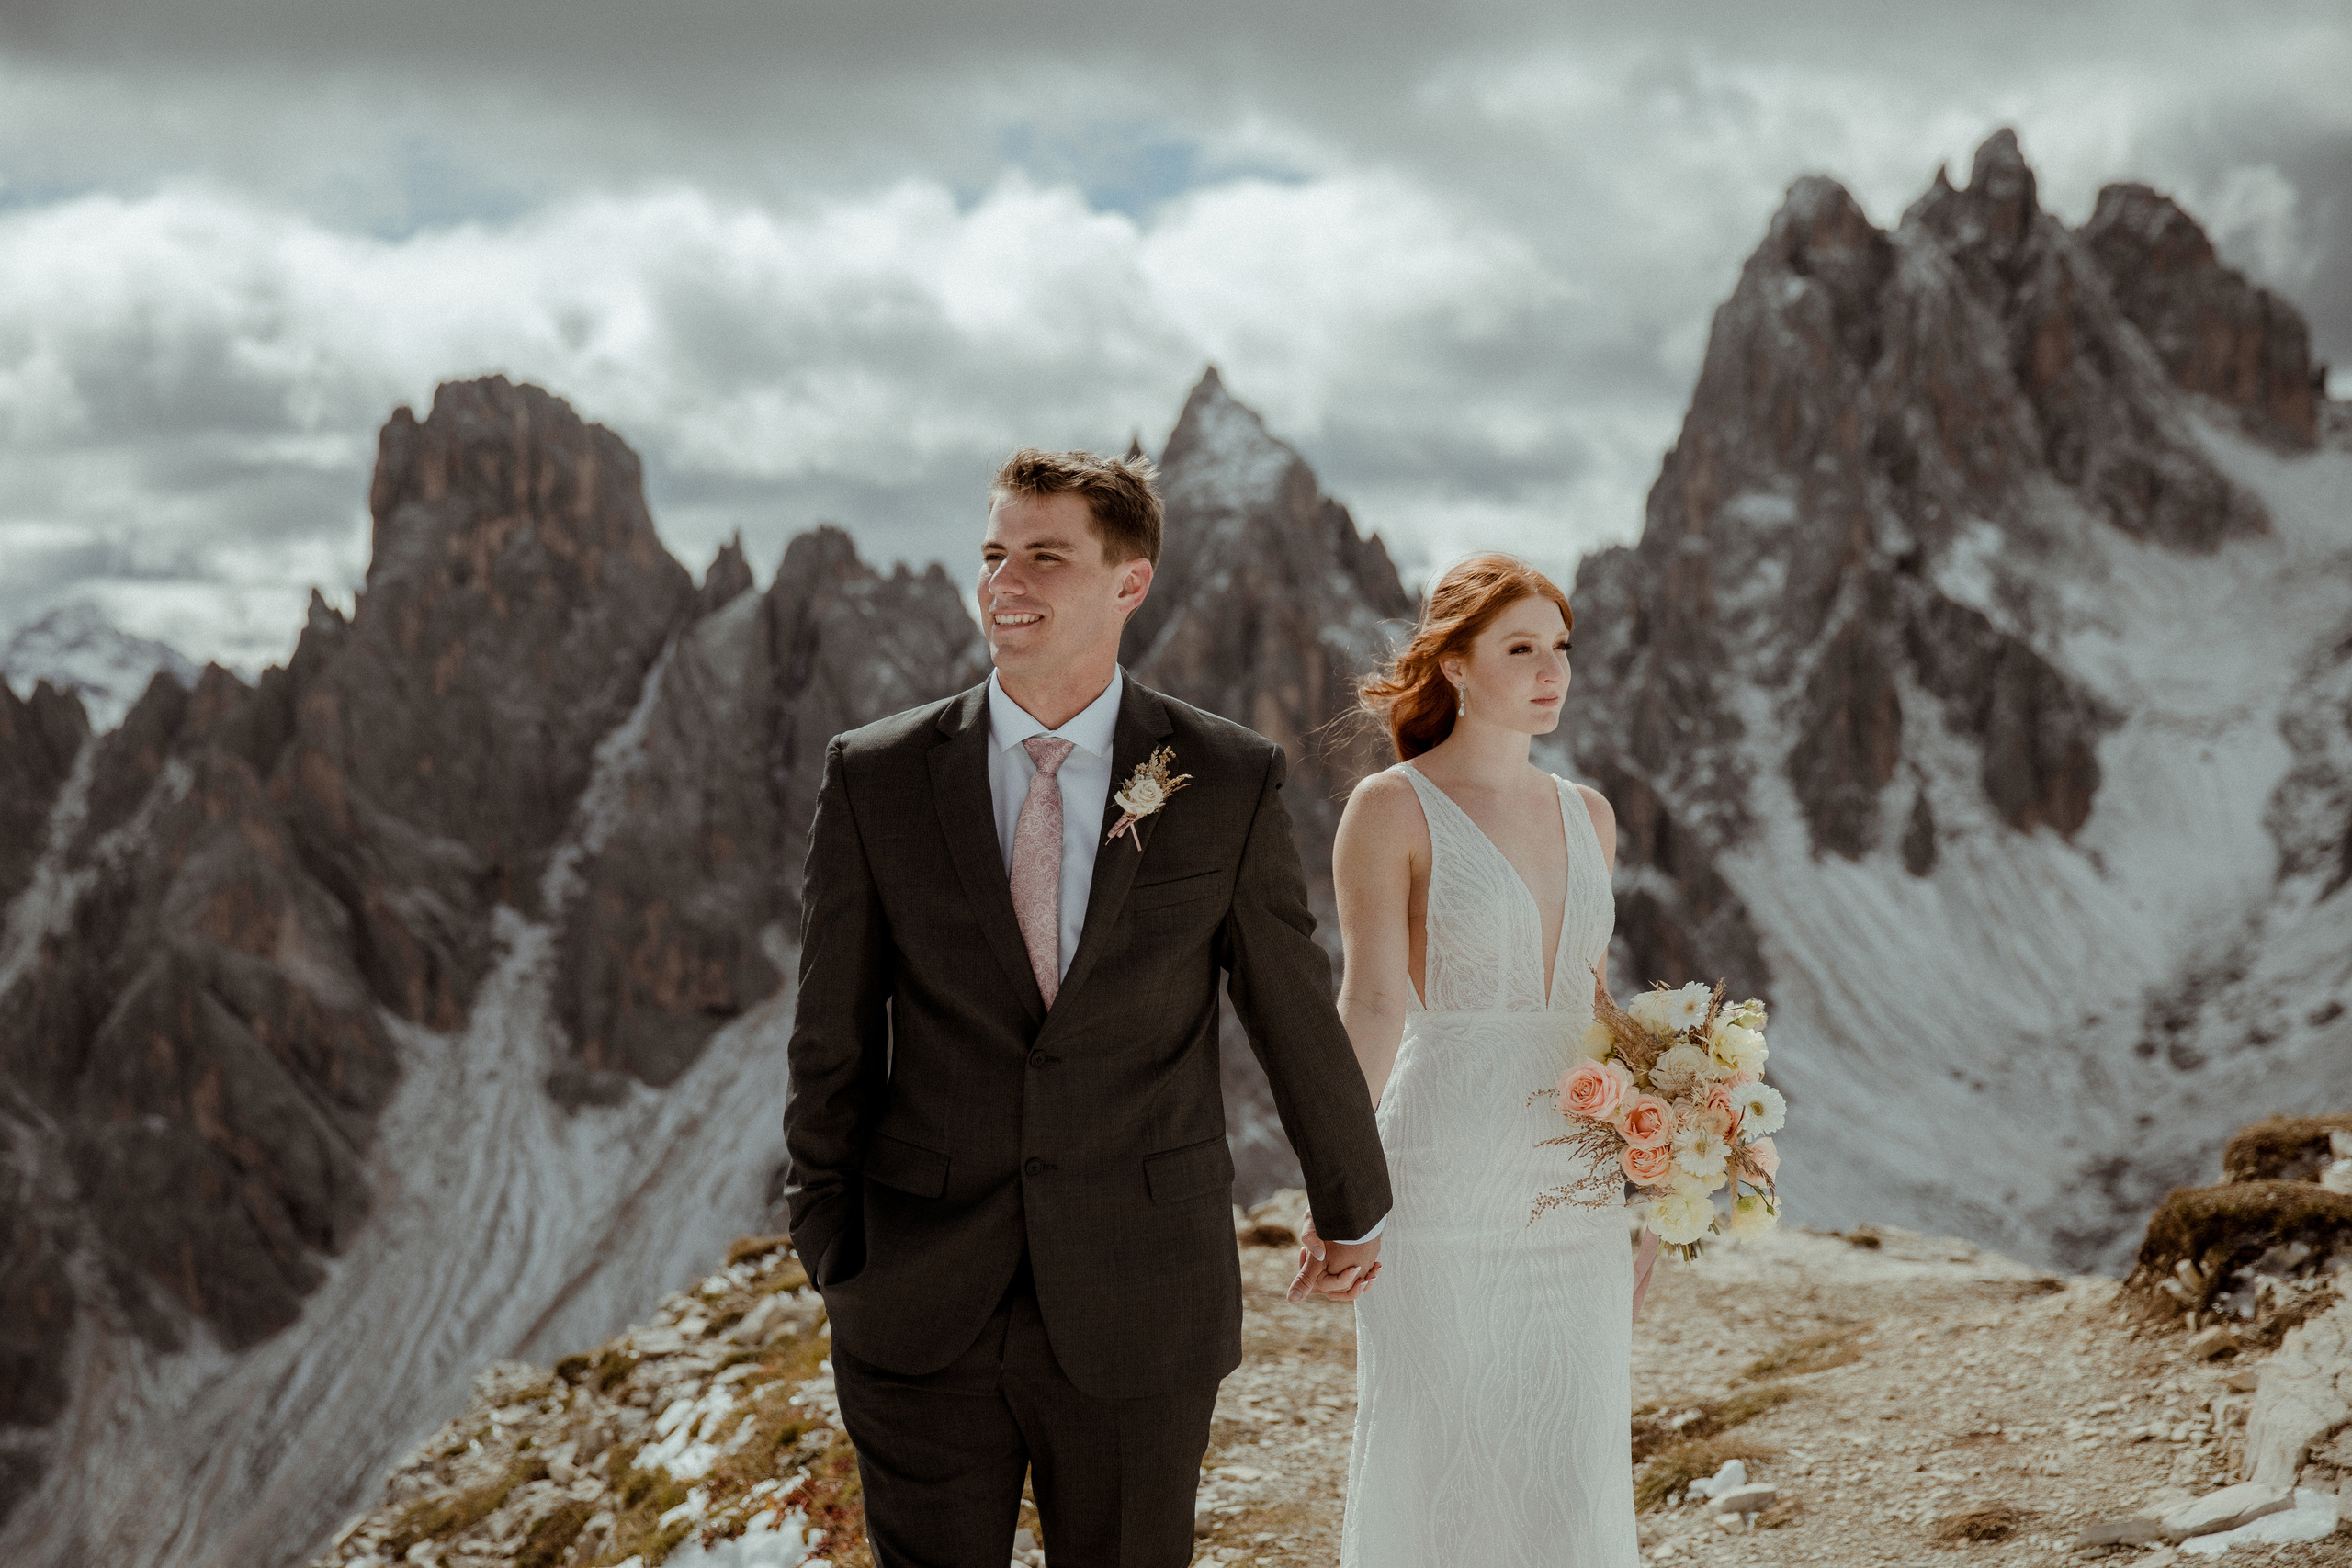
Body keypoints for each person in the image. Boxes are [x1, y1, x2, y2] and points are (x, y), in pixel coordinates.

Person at [780, 447, 1394, 1568]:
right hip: (917, 1294)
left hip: (1143, 1296)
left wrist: (1351, 1205)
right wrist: (829, 1238)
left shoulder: (1226, 776)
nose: (1006, 581)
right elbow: (829, 1032)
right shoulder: (875, 775)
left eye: (1045, 556)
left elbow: (1289, 1005)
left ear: (1130, 582)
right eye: (995, 553)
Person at [1325, 553, 1654, 1566]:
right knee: (1439, 1452)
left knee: (1572, 1460)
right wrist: (1340, 1194)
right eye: (1520, 648)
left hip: (1577, 1186)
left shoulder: (1587, 813)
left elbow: (1595, 1009)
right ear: (1456, 666)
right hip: (1439, 1177)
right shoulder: (1390, 806)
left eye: (1559, 647)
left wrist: (1649, 1181)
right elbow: (1372, 1002)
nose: (1551, 669)